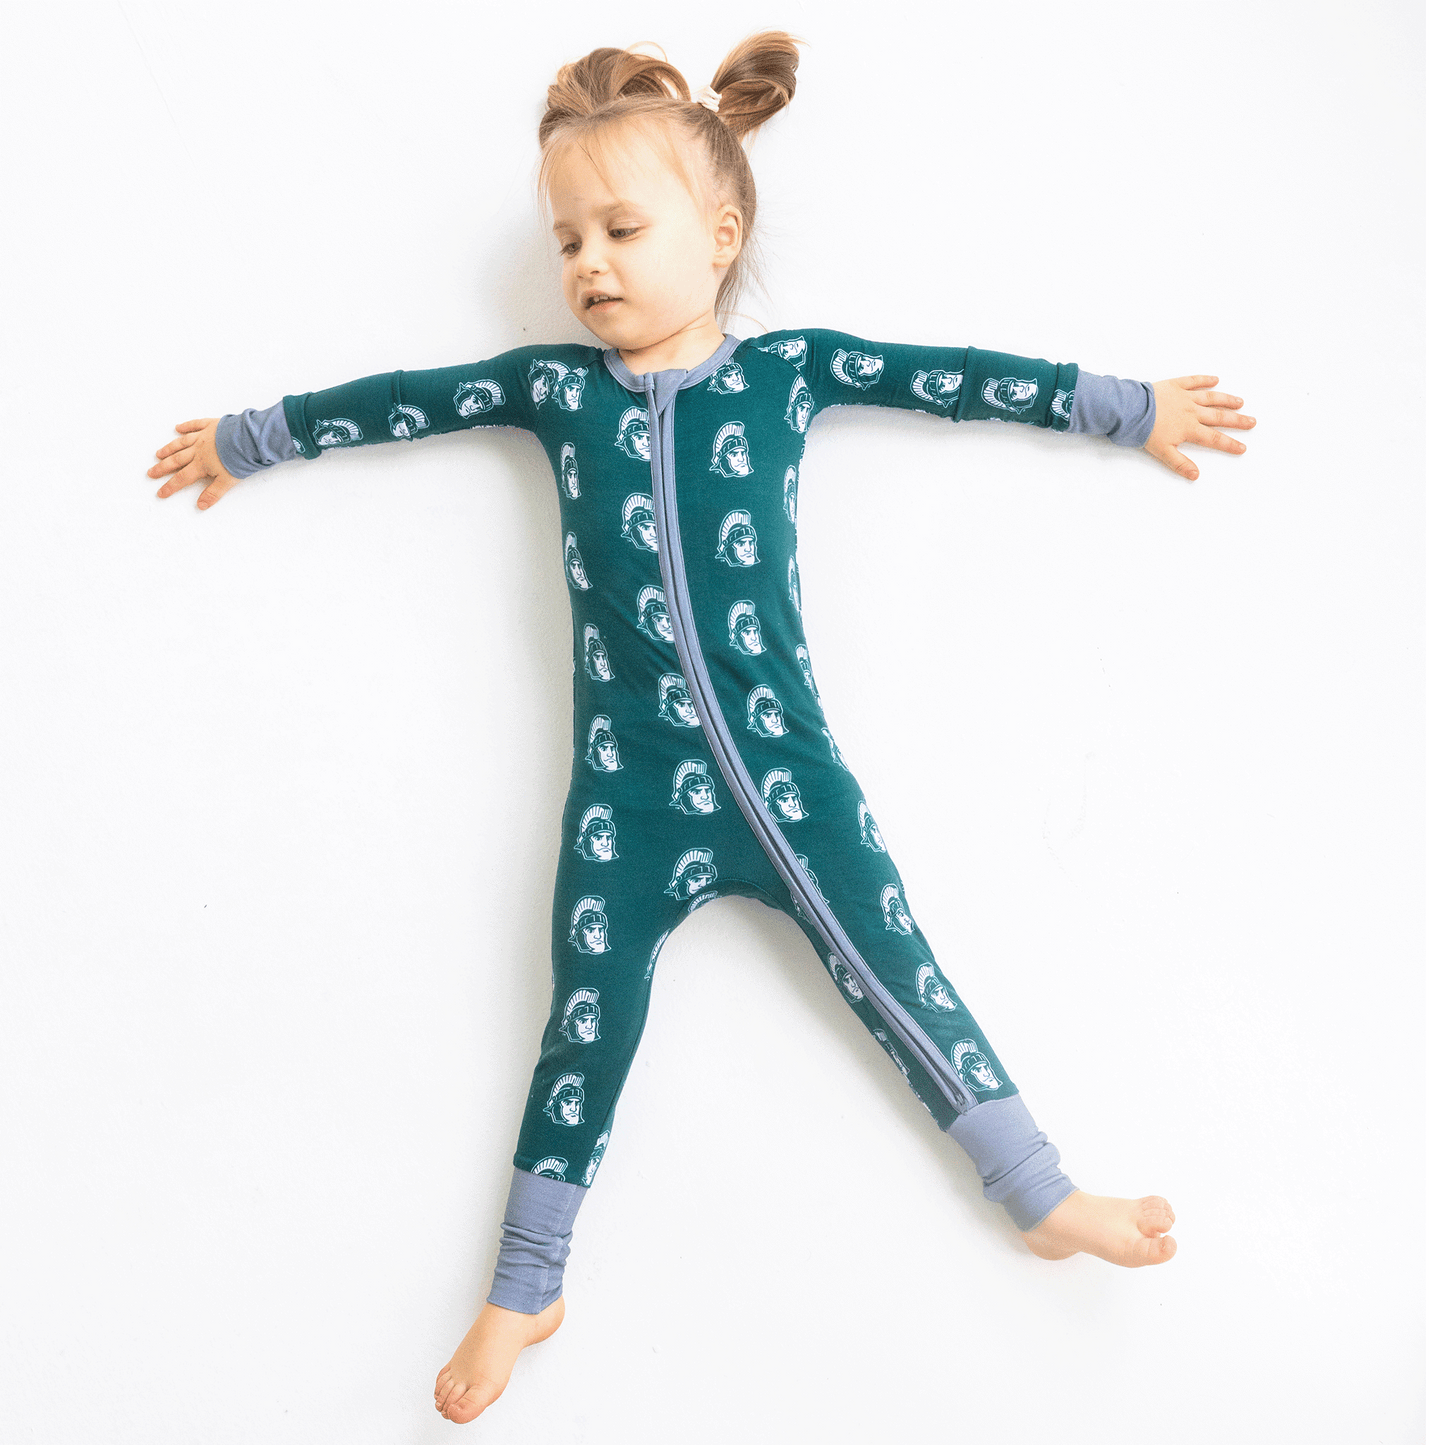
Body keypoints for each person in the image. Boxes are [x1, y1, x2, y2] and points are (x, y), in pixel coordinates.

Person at [146, 31, 1255, 1426]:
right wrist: (251, 437)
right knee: (583, 1027)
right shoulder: (555, 391)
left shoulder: (788, 373)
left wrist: (1129, 407)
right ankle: (527, 1283)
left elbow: (957, 374)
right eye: (567, 240)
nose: (589, 264)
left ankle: (1039, 1194)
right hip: (628, 790)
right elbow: (403, 402)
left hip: (788, 781)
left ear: (719, 235)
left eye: (621, 229)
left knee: (897, 971)